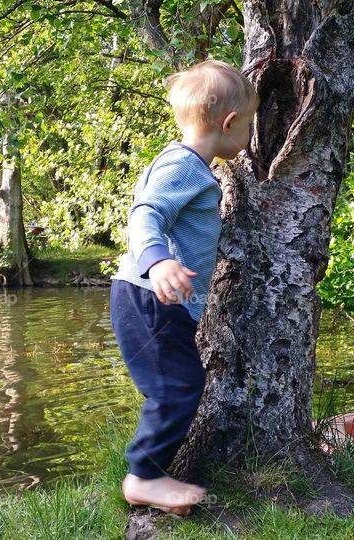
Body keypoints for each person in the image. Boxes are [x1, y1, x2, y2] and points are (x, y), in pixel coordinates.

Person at [109, 59, 258, 515]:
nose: (250, 134)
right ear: (229, 123)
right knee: (177, 386)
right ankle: (143, 478)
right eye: (249, 124)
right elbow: (145, 213)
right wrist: (158, 261)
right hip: (149, 296)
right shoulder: (184, 166)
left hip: (154, 300)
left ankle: (149, 474)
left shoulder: (189, 165)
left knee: (176, 383)